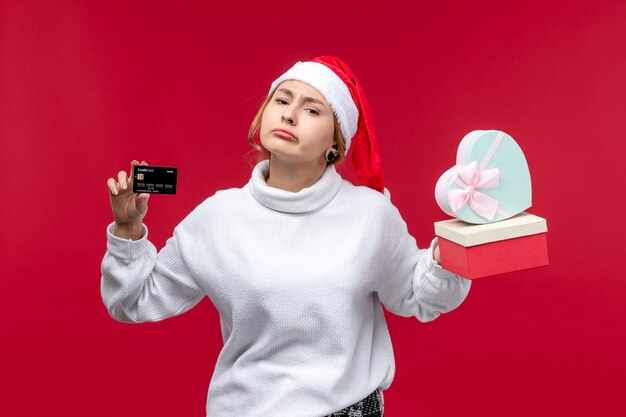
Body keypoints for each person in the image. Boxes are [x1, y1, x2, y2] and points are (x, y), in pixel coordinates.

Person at [102, 56, 471, 417]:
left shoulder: (370, 215)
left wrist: (452, 251)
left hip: (348, 409)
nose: (289, 114)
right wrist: (127, 230)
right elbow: (133, 301)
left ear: (336, 144)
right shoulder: (218, 217)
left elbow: (420, 296)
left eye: (312, 110)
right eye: (281, 100)